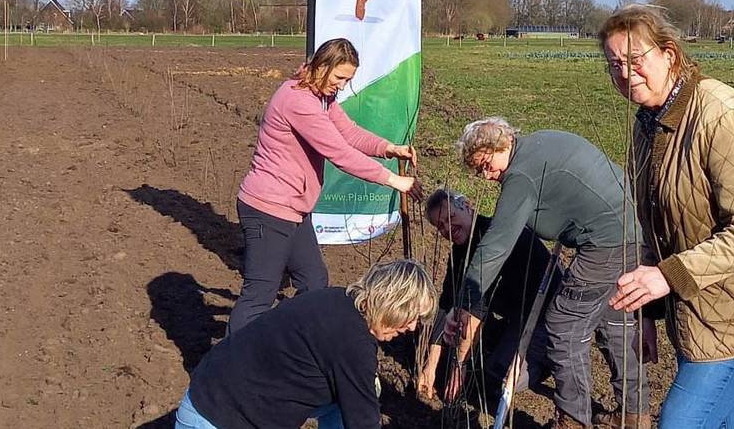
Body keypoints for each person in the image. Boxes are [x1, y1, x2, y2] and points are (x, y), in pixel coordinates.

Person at [603, 4, 734, 429]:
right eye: (614, 65)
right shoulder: (648, 124)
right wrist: (650, 312)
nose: (626, 74)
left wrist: (667, 277)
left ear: (670, 55)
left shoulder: (722, 115)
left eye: (635, 60)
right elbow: (654, 225)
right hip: (701, 310)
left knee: (681, 421)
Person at [443, 119, 649, 428]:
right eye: (478, 171)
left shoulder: (520, 174)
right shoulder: (537, 145)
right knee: (614, 320)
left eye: (486, 164)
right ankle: (634, 414)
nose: (487, 176)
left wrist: (465, 300)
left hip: (605, 241)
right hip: (629, 229)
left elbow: (495, 247)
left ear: (500, 145)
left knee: (564, 325)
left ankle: (574, 419)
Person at [229, 37, 420, 335]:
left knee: (313, 282)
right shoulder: (297, 100)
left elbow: (349, 133)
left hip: (294, 210)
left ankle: (284, 339)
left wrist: (389, 148)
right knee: (259, 295)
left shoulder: (321, 98)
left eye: (349, 79)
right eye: (340, 77)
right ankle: (230, 368)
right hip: (268, 209)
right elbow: (340, 153)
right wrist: (394, 180)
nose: (343, 85)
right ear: (322, 65)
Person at [175, 259, 437, 429]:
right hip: (218, 417)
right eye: (411, 316)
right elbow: (364, 423)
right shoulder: (353, 341)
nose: (412, 327)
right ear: (394, 303)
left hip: (209, 391)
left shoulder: (338, 299)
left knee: (355, 394)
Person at [416, 187, 552, 402]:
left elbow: (477, 307)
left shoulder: (493, 238)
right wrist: (429, 368)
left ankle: (543, 361)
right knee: (478, 361)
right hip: (515, 315)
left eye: (451, 217)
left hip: (544, 314)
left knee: (497, 383)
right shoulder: (460, 251)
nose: (448, 228)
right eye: (440, 226)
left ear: (468, 207)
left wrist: (459, 368)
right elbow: (447, 303)